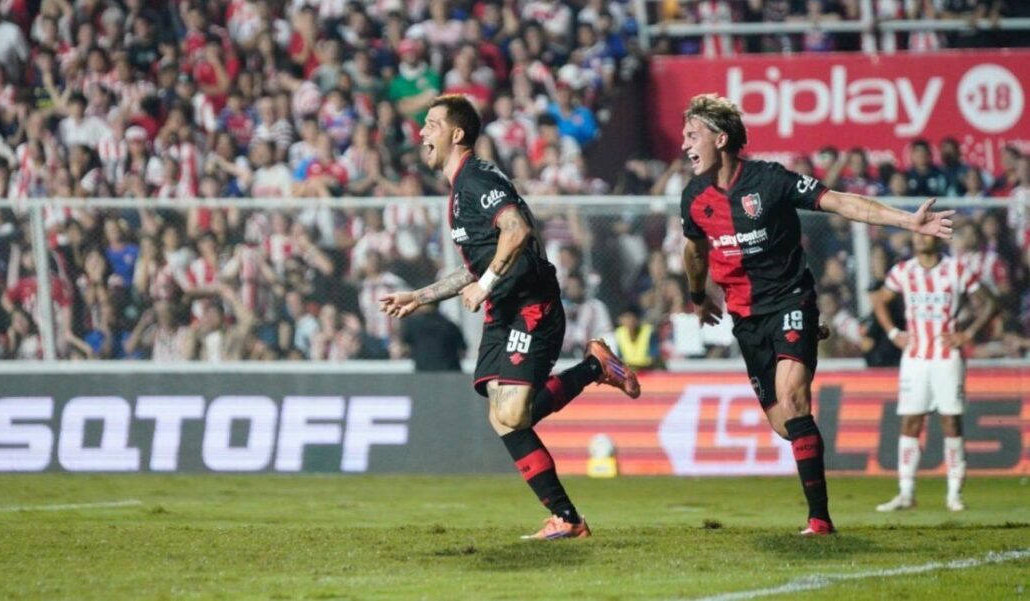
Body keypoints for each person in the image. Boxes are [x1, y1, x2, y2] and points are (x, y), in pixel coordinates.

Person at [678, 94, 955, 536]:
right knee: (785, 424)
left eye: (693, 135)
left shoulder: (770, 181)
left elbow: (843, 202)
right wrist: (697, 295)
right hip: (746, 318)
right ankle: (807, 337)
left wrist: (908, 222)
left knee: (794, 399)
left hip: (789, 300)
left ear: (721, 137)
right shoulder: (693, 197)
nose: (685, 144)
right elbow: (694, 249)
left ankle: (819, 520)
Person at [381, 94, 640, 540]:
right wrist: (422, 296)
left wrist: (486, 285)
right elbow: (475, 266)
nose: (422, 133)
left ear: (456, 133)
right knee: (503, 418)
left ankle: (595, 366)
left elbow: (517, 230)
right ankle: (567, 519)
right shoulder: (460, 188)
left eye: (431, 124)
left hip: (531, 304)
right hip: (504, 310)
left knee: (515, 412)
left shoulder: (476, 178)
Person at [871, 233, 996, 513]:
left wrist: (969, 333)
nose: (920, 238)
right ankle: (906, 492)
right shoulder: (903, 271)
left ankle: (954, 493)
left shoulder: (956, 269)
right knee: (910, 422)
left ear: (937, 240)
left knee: (951, 422)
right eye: (917, 233)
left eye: (926, 234)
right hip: (915, 356)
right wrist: (893, 333)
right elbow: (879, 300)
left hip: (947, 356)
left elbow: (990, 302)